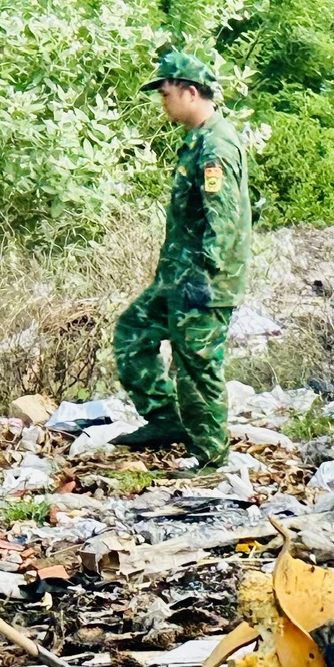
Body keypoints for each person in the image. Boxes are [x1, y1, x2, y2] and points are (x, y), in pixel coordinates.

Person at [113, 50, 251, 467]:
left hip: (201, 282)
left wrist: (204, 279)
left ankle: (210, 456)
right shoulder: (198, 140)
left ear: (191, 93)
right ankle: (165, 419)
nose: (163, 101)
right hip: (178, 276)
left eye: (167, 92)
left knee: (195, 367)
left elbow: (223, 220)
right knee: (133, 333)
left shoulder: (215, 146)